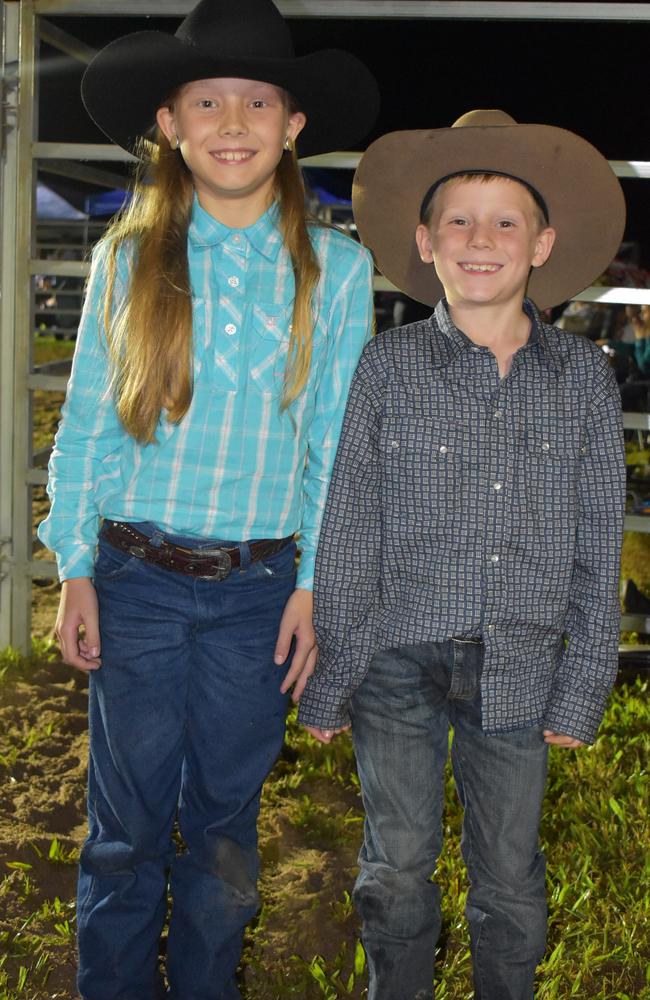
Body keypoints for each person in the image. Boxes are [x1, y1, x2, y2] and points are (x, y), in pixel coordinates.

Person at [37, 1, 378, 997]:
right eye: (207, 101)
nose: (233, 121)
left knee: (224, 821)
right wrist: (75, 567)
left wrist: (315, 582)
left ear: (293, 124)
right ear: (172, 125)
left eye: (257, 101)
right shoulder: (128, 259)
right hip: (135, 579)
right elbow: (89, 425)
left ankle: (204, 984)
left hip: (255, 594)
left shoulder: (340, 272)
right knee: (124, 825)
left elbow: (334, 449)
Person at [298, 110, 627, 1000]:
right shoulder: (387, 368)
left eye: (505, 221)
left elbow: (601, 538)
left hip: (520, 668)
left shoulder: (585, 380)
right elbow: (351, 525)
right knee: (396, 866)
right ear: (425, 241)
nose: (480, 241)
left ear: (542, 243)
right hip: (396, 659)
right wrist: (334, 669)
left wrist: (585, 677)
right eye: (458, 221)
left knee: (510, 878)